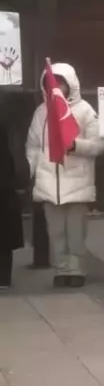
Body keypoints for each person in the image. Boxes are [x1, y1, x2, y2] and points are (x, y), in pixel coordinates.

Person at [25, 63, 104, 288]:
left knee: (76, 233)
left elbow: (99, 144)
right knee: (56, 233)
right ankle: (61, 269)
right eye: (51, 83)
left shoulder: (85, 110)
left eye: (60, 82)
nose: (56, 87)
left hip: (78, 182)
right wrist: (31, 171)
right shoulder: (41, 112)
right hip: (48, 183)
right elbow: (32, 146)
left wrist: (76, 146)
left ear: (70, 84)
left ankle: (77, 269)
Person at [0, 101, 25, 290]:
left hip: (5, 184)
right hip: (6, 182)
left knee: (4, 232)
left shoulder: (7, 113)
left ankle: (3, 277)